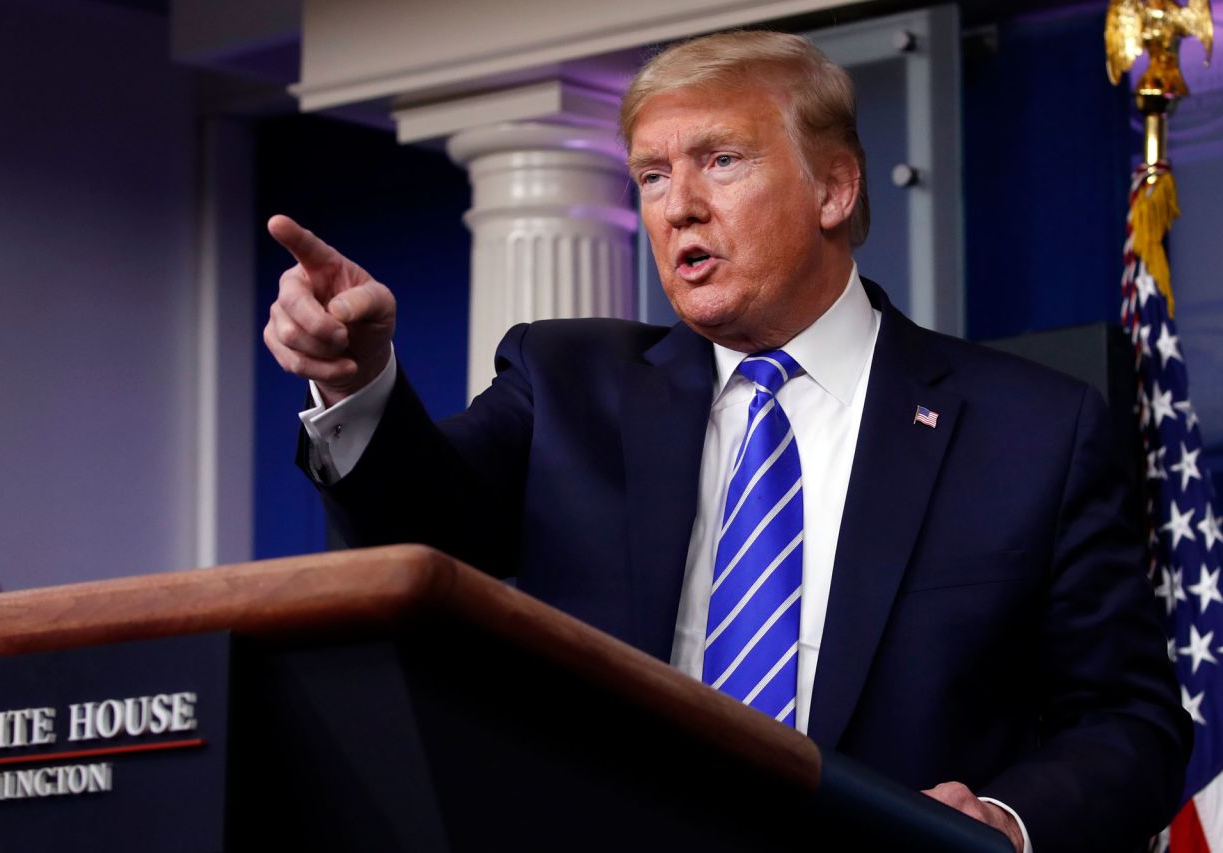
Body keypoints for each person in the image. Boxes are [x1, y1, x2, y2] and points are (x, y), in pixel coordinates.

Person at [263, 30, 1188, 852]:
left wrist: (1006, 819)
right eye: (654, 175)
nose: (677, 208)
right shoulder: (568, 384)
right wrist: (353, 382)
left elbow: (1132, 720)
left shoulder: (1032, 429)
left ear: (834, 187)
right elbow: (418, 525)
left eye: (721, 161)